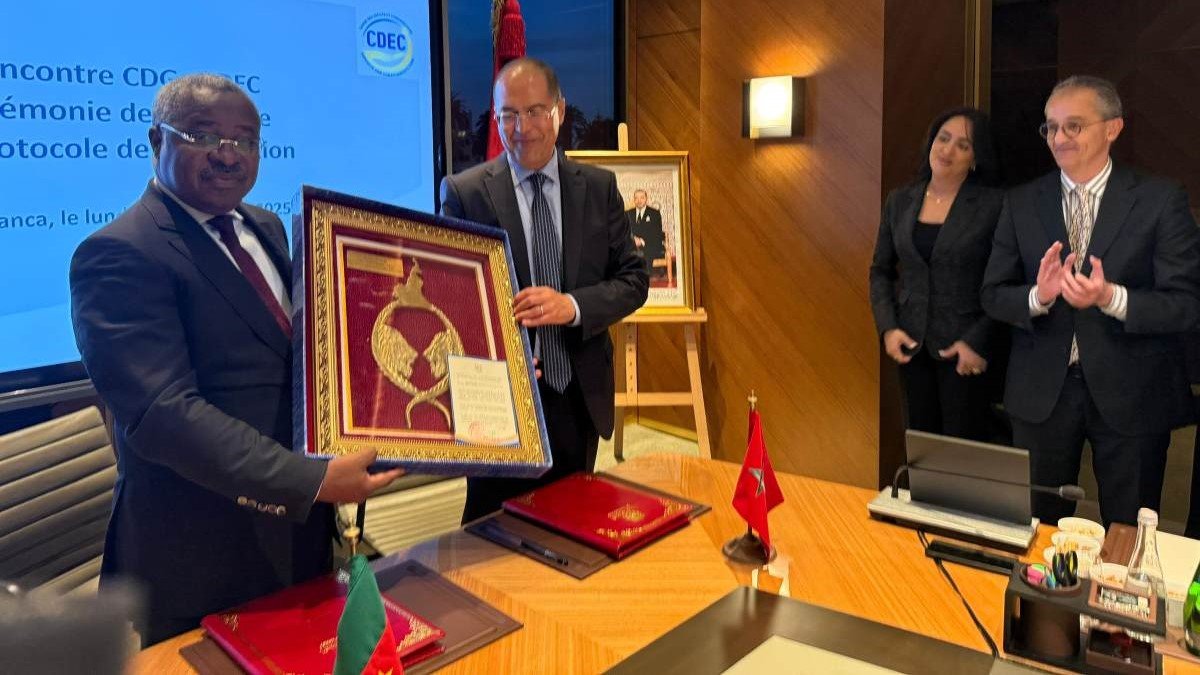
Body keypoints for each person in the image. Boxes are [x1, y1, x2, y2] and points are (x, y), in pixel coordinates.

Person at [69, 74, 402, 644]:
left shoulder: (266, 227)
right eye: (204, 136)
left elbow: (312, 352)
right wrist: (310, 480)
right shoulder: (119, 253)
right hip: (200, 549)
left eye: (246, 140)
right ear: (157, 140)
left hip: (295, 531)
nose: (229, 155)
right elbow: (164, 415)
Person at [981, 75, 1200, 526]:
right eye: (1050, 127)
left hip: (1133, 393)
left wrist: (1110, 297)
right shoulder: (1020, 202)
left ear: (1112, 128)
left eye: (1074, 126)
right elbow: (992, 295)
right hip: (1040, 395)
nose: (1059, 138)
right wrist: (1038, 296)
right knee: (1036, 530)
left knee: (1126, 532)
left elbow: (1185, 304)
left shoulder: (1160, 200)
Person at [440, 57, 648, 521]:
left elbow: (633, 281)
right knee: (494, 532)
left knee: (575, 523)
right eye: (509, 115)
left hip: (578, 393)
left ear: (559, 110)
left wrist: (571, 306)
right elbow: (451, 302)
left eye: (535, 111)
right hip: (501, 400)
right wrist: (503, 354)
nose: (522, 128)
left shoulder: (599, 188)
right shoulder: (465, 194)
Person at [869, 107, 1004, 441]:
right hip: (911, 344)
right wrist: (888, 328)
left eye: (963, 145)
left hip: (966, 349)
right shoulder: (900, 200)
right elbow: (880, 271)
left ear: (975, 158)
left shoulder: (995, 205)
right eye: (943, 139)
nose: (948, 150)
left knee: (965, 450)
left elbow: (1006, 282)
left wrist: (978, 341)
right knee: (922, 447)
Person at [626, 189, 666, 266]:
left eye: (642, 197)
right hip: (632, 244)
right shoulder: (628, 213)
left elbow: (657, 233)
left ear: (646, 199)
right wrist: (633, 239)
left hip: (649, 244)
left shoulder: (654, 213)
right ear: (634, 200)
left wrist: (641, 241)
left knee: (643, 254)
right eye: (636, 198)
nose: (639, 200)